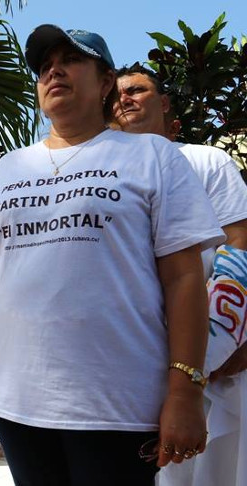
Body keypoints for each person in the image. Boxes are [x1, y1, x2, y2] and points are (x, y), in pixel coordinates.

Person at [0, 25, 225, 486]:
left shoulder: (152, 156)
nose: (53, 70)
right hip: (17, 400)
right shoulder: (8, 168)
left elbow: (183, 279)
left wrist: (184, 389)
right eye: (43, 66)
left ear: (105, 83)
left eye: (71, 59)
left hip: (117, 404)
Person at [113, 64, 247, 486]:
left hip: (210, 351)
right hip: (131, 355)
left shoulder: (205, 160)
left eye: (137, 89)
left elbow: (238, 245)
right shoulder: (103, 176)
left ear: (165, 103)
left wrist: (222, 343)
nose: (125, 99)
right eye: (116, 95)